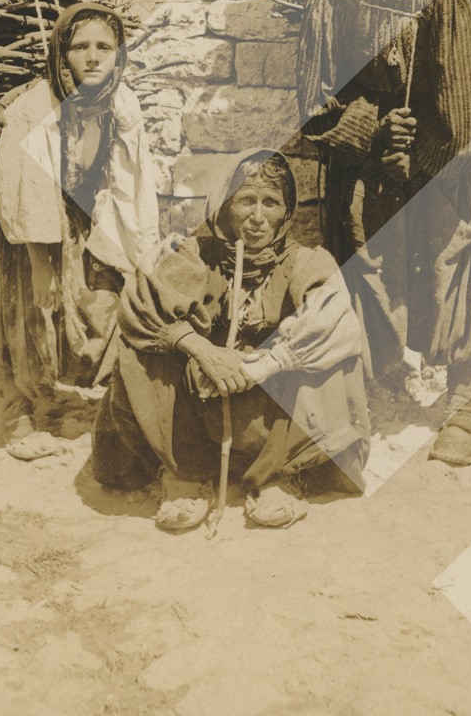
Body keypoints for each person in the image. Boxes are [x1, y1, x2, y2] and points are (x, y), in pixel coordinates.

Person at [297, 0, 471, 467]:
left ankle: (462, 398)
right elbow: (314, 105)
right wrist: (369, 130)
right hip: (367, 157)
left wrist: (419, 148)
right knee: (370, 261)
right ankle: (384, 380)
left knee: (454, 262)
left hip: (450, 153)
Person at [92, 148, 370, 531]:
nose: (257, 217)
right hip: (200, 404)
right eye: (246, 200)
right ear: (224, 205)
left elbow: (333, 321)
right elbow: (143, 306)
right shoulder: (194, 253)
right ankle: (186, 472)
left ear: (287, 211)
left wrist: (263, 365)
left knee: (331, 348)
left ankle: (279, 475)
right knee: (142, 342)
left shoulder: (306, 262)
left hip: (269, 412)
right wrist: (201, 349)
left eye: (271, 202)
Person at [0, 1, 160, 460]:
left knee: (104, 306)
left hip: (87, 218)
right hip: (33, 229)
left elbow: (133, 178)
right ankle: (26, 408)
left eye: (104, 47)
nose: (92, 57)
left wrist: (137, 250)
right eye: (80, 46)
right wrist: (40, 264)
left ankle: (101, 401)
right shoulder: (34, 109)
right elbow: (30, 193)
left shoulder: (120, 103)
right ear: (62, 54)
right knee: (34, 312)